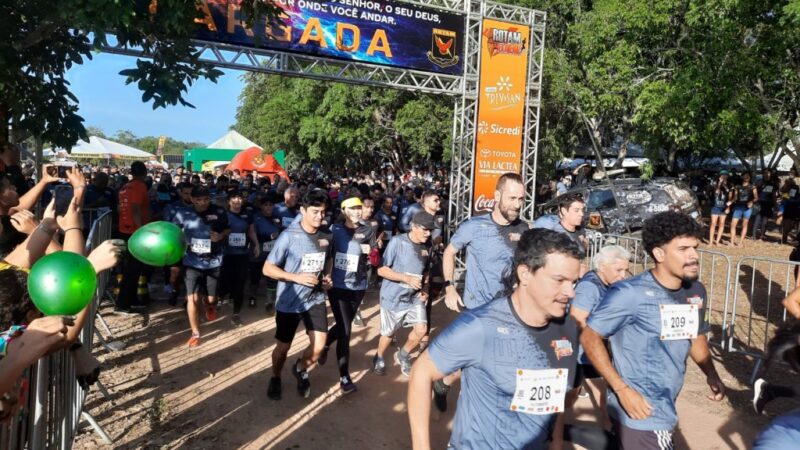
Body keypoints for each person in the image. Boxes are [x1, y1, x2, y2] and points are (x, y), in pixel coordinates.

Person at [407, 228, 583, 450]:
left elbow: (553, 397)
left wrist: (556, 443)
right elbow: (421, 372)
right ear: (525, 274)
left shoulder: (567, 328)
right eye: (559, 280)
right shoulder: (480, 326)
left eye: (574, 282)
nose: (570, 292)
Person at [581, 211, 726, 450]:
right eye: (683, 249)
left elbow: (695, 334)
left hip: (666, 402)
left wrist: (711, 372)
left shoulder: (695, 291)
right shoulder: (629, 293)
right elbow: (589, 336)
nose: (693, 256)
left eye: (695, 248)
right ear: (659, 254)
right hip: (642, 411)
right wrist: (622, 389)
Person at [436, 173, 528, 411]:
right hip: (477, 308)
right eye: (512, 198)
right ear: (497, 196)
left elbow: (524, 264)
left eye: (521, 199)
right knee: (479, 362)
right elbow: (449, 253)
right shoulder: (474, 226)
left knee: (494, 360)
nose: (517, 204)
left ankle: (444, 383)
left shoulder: (523, 228)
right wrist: (449, 287)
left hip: (509, 307)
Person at [263, 190, 333, 400]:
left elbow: (327, 259)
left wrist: (328, 277)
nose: (320, 217)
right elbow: (267, 269)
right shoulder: (288, 236)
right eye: (314, 212)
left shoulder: (326, 235)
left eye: (323, 212)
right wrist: (296, 277)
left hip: (315, 298)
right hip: (289, 302)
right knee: (283, 348)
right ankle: (275, 376)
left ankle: (300, 368)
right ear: (302, 211)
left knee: (319, 346)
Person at [318, 197, 377, 393]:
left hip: (358, 285)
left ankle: (325, 343)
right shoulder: (334, 230)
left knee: (345, 324)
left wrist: (373, 253)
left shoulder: (368, 229)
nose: (357, 211)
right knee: (345, 331)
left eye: (359, 208)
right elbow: (326, 254)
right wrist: (325, 275)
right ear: (344, 210)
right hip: (338, 286)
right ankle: (344, 377)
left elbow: (376, 257)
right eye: (352, 208)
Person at [569, 245, 631, 430]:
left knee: (599, 385)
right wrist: (594, 342)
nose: (623, 275)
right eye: (618, 270)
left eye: (625, 270)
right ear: (602, 266)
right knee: (573, 392)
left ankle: (606, 423)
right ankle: (553, 426)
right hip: (582, 351)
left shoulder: (608, 284)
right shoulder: (589, 287)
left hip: (594, 349)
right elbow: (577, 319)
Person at [372, 211, 434, 377]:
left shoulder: (428, 245)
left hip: (414, 297)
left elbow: (426, 271)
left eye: (431, 230)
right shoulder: (397, 242)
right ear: (413, 226)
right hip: (393, 296)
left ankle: (403, 355)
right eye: (425, 229)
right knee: (388, 334)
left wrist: (425, 289)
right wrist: (406, 278)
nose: (428, 233)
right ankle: (378, 356)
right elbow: (381, 270)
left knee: (421, 330)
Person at [172, 186, 230, 347]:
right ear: (192, 199)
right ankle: (195, 333)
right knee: (192, 298)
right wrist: (182, 244)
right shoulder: (183, 213)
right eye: (198, 200)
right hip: (191, 261)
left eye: (205, 200)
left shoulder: (218, 211)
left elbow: (227, 229)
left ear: (209, 199)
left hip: (214, 260)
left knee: (211, 298)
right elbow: (174, 233)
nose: (202, 203)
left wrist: (221, 236)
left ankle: (210, 304)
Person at [115, 161, 151, 314]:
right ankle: (123, 304)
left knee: (133, 269)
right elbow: (135, 209)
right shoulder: (139, 186)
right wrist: (141, 229)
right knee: (132, 269)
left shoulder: (125, 187)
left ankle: (131, 299)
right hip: (135, 232)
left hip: (125, 229)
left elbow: (120, 208)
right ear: (144, 173)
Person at [219, 190, 259, 327]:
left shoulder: (248, 215)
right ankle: (221, 297)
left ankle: (236, 314)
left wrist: (257, 244)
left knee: (240, 284)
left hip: (242, 254)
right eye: (234, 198)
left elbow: (251, 231)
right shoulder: (223, 215)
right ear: (229, 201)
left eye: (239, 198)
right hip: (226, 255)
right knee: (225, 282)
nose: (237, 200)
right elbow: (217, 232)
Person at [249, 193, 281, 314]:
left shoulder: (277, 218)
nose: (268, 207)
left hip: (271, 255)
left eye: (270, 205)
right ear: (261, 206)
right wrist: (267, 237)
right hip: (258, 253)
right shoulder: (255, 217)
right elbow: (251, 233)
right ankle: (252, 297)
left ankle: (269, 301)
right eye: (265, 205)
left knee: (271, 278)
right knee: (255, 277)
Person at [729, 172, 758, 247]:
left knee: (744, 225)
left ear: (750, 178)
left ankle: (740, 242)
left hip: (747, 208)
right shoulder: (737, 186)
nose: (746, 177)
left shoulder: (753, 187)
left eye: (748, 176)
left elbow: (756, 197)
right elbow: (735, 197)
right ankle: (732, 242)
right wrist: (730, 202)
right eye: (744, 176)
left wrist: (751, 201)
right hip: (738, 207)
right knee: (733, 224)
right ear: (742, 177)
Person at [753, 169, 779, 241]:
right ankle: (754, 236)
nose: (766, 174)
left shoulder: (773, 183)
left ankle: (762, 236)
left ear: (770, 174)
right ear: (763, 174)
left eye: (768, 173)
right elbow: (754, 190)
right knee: (757, 220)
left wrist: (776, 205)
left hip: (768, 204)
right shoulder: (759, 181)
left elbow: (774, 195)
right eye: (765, 173)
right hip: (759, 203)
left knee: (765, 222)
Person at [709, 171, 732, 246]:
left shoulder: (729, 185)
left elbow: (730, 197)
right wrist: (719, 183)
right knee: (713, 223)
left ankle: (717, 241)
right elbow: (716, 192)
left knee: (722, 224)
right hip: (715, 206)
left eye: (726, 175)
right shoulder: (715, 183)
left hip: (724, 207)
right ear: (720, 176)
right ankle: (711, 242)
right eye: (723, 175)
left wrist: (728, 207)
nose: (724, 176)